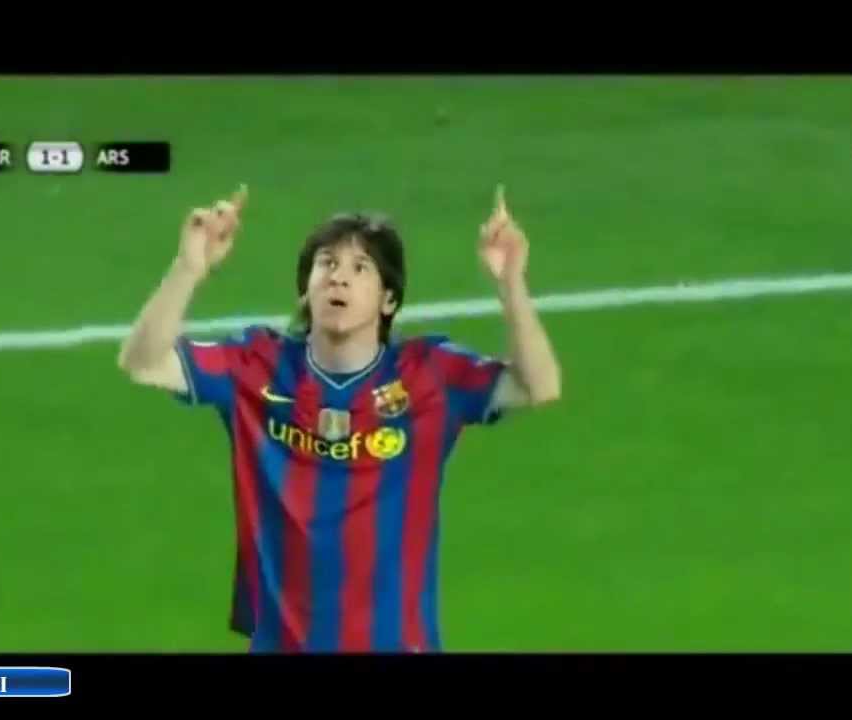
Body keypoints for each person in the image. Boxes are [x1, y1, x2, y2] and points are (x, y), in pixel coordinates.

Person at [118, 184, 561, 652]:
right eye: (326, 264)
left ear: (389, 300)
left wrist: (511, 284)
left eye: (359, 267)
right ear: (305, 290)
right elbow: (144, 362)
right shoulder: (258, 365)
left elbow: (540, 385)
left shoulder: (430, 375)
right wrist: (189, 268)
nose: (338, 278)